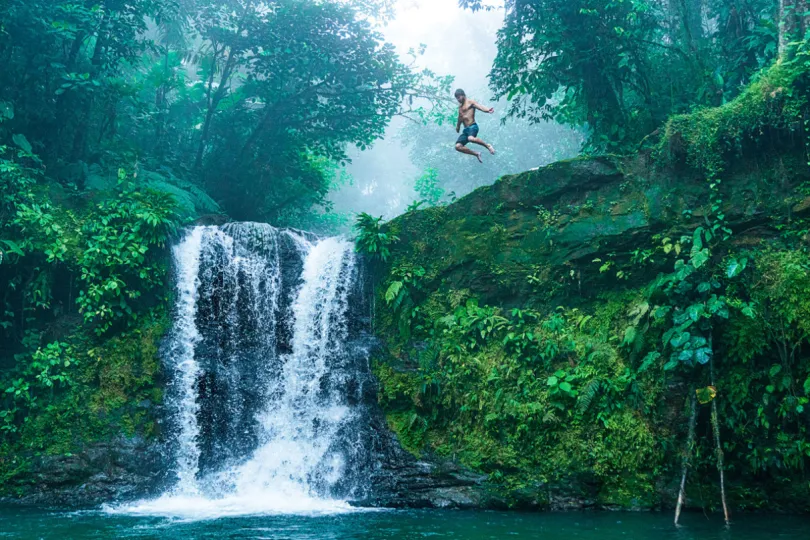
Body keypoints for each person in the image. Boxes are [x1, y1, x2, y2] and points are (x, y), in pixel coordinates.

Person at [454, 88, 495, 163]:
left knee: (471, 138)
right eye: (457, 98)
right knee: (458, 146)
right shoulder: (460, 108)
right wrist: (458, 126)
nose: (458, 100)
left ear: (463, 95)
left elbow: (480, 106)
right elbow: (460, 118)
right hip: (466, 130)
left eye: (459, 97)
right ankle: (476, 154)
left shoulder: (470, 102)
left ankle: (488, 146)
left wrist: (488, 110)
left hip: (473, 126)